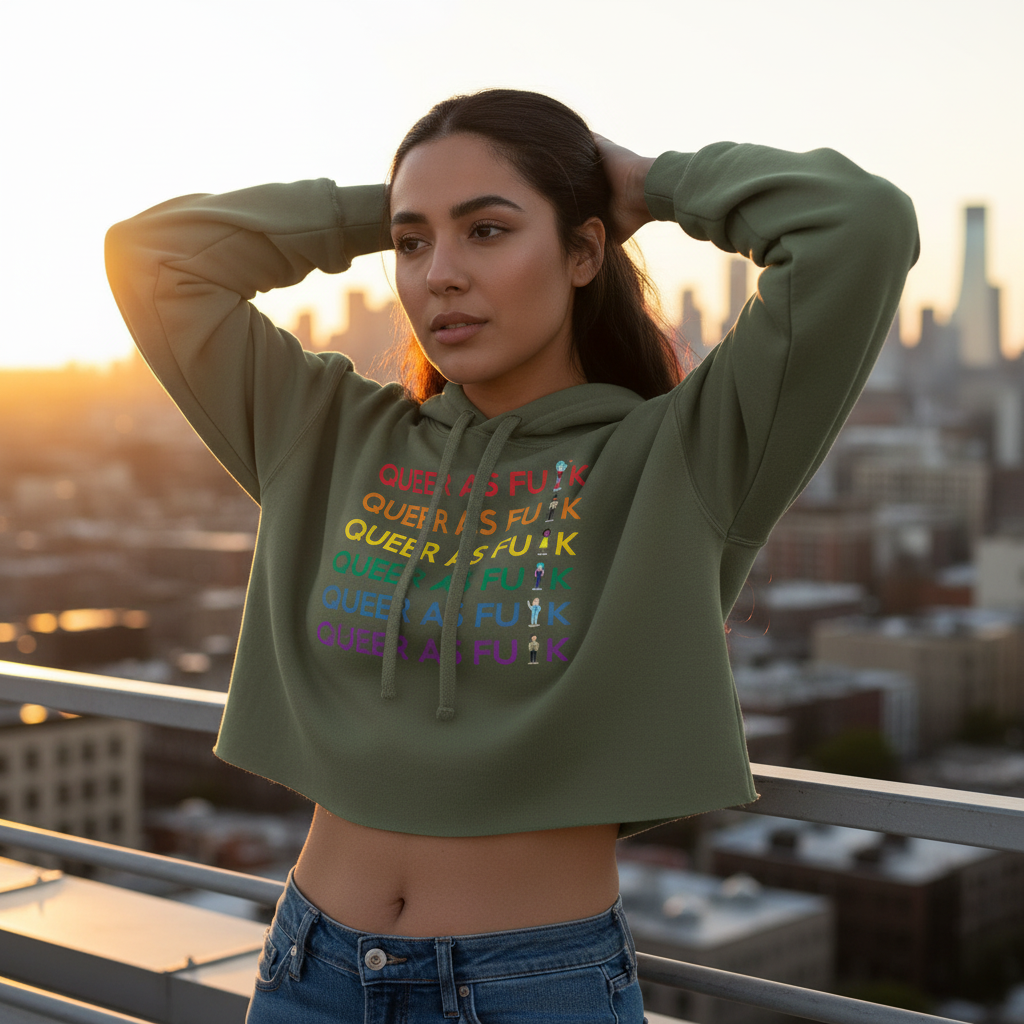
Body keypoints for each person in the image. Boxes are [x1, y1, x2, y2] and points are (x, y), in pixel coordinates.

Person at [105, 88, 918, 1023]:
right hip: (312, 973)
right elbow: (152, 258)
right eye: (415, 245)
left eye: (488, 233)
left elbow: (860, 226)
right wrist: (413, 201)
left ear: (582, 251)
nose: (439, 275)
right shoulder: (330, 433)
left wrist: (645, 184)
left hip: (535, 990)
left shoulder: (679, 456)